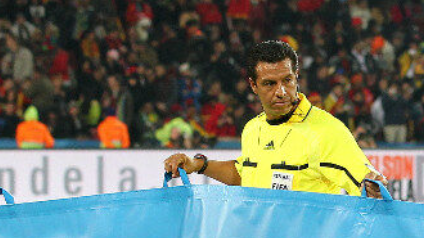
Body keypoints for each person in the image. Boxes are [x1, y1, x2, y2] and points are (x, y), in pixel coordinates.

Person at [164, 40, 386, 197]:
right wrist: (198, 165)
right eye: (270, 83)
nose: (281, 92)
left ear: (296, 77)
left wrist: (373, 184)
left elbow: (365, 179)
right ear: (253, 85)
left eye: (287, 80)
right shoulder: (253, 129)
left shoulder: (326, 130)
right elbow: (245, 175)